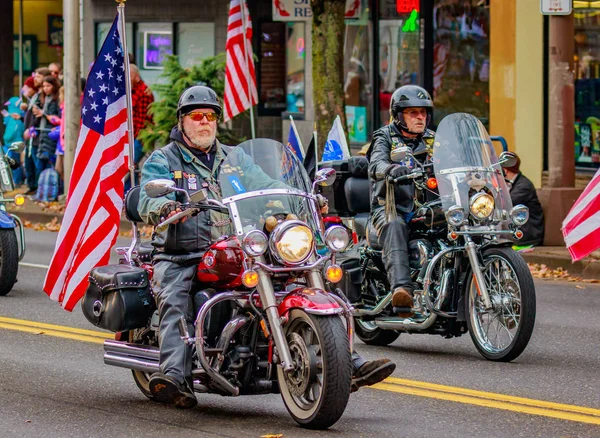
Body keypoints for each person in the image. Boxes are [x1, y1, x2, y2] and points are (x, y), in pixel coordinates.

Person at [138, 85, 396, 408]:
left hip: (237, 245)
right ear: (183, 120)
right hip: (183, 251)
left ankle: (347, 360)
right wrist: (163, 207)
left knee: (301, 271)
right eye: (196, 116)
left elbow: (266, 184)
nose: (204, 122)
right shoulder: (165, 159)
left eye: (210, 116)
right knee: (176, 298)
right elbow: (146, 196)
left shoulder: (234, 157)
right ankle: (175, 375)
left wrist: (301, 198)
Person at [366, 85, 435, 317]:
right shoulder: (384, 136)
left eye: (423, 113)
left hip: (427, 207)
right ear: (398, 115)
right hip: (391, 206)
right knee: (394, 224)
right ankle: (402, 289)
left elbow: (454, 161)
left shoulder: (433, 140)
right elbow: (376, 163)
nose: (420, 117)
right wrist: (390, 168)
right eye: (413, 112)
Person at [501, 151, 545, 246]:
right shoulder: (511, 183)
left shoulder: (524, 186)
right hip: (518, 229)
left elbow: (506, 204)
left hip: (527, 233)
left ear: (505, 170)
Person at [125, 64, 154, 191]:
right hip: (130, 137)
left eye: (130, 76)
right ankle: (131, 195)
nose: (128, 79)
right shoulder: (130, 91)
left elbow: (143, 121)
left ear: (137, 77)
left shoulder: (144, 92)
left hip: (140, 138)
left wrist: (135, 139)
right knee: (131, 168)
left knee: (128, 166)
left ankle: (130, 193)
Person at [23, 67, 51, 195]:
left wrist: (32, 128)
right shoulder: (36, 96)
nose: (35, 79)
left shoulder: (44, 97)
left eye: (38, 77)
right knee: (31, 163)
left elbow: (41, 115)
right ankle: (33, 187)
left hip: (40, 135)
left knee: (39, 164)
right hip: (32, 135)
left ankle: (41, 190)